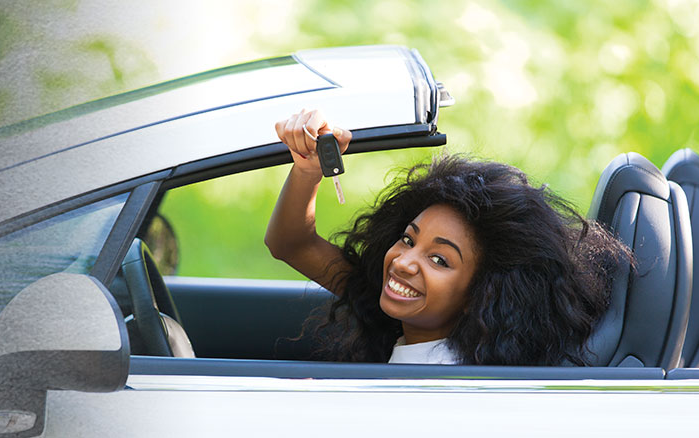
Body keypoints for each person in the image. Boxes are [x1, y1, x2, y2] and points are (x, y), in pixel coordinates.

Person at [264, 109, 629, 366]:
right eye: (408, 239)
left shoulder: (441, 383)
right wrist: (308, 169)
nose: (404, 262)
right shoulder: (402, 315)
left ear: (480, 295)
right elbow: (290, 244)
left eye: (439, 260)